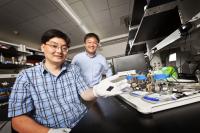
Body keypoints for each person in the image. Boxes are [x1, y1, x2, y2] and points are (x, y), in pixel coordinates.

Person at [8, 29, 130, 133]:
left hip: (84, 121)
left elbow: (84, 93)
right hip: (52, 129)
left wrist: (97, 91)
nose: (59, 51)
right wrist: (49, 132)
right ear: (43, 47)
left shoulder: (73, 69)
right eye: (54, 46)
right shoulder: (25, 77)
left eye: (64, 48)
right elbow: (17, 121)